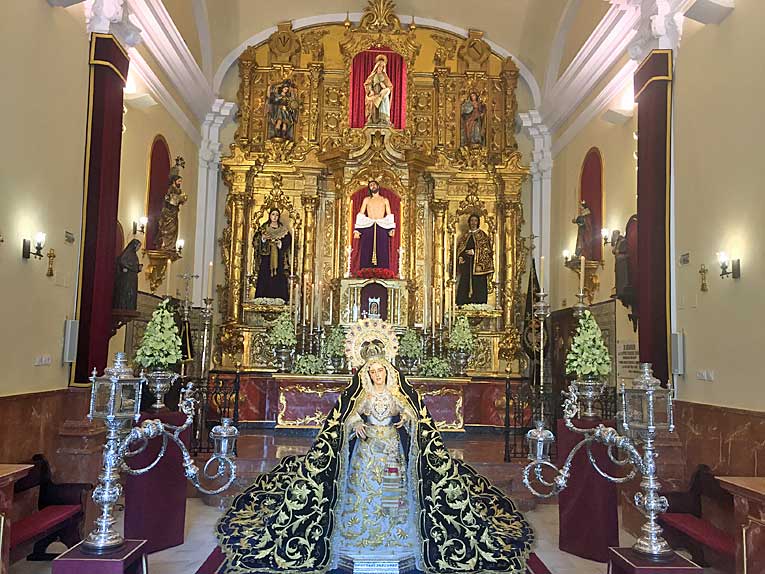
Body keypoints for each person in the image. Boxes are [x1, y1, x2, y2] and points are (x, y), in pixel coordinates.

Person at [216, 355, 533, 573]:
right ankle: (358, 532)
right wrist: (356, 424)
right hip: (368, 450)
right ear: (367, 375)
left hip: (391, 448)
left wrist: (405, 420)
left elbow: (412, 415)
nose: (377, 375)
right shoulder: (363, 395)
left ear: (388, 373)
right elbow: (349, 416)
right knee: (363, 488)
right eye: (373, 372)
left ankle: (395, 533)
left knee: (392, 491)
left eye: (380, 372)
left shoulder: (396, 394)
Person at [353, 180, 395, 270]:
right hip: (368, 225)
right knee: (366, 249)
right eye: (371, 185)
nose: (373, 186)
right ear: (369, 188)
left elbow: (389, 214)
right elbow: (361, 213)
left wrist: (391, 228)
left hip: (381, 226)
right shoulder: (367, 200)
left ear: (378, 186)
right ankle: (365, 271)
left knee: (382, 249)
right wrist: (357, 230)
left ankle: (383, 271)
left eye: (374, 185)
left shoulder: (384, 200)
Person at [253, 207, 291, 302]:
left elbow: (288, 242)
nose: (274, 217)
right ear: (270, 216)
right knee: (264, 277)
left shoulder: (283, 230)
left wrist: (280, 244)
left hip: (279, 260)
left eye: (277, 215)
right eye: (273, 214)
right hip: (266, 260)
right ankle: (262, 300)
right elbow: (256, 242)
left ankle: (280, 300)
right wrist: (263, 239)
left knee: (279, 278)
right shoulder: (263, 229)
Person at [456, 213, 494, 305]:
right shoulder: (465, 236)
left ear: (478, 223)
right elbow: (461, 249)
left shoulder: (482, 236)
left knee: (478, 286)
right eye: (472, 220)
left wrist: (475, 252)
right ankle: (463, 304)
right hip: (467, 266)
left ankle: (479, 305)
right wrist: (460, 256)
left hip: (478, 268)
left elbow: (487, 250)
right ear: (469, 222)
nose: (473, 223)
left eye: (475, 221)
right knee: (465, 284)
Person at [157, 173, 187, 251]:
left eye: (180, 181)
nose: (180, 183)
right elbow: (168, 198)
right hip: (168, 212)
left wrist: (183, 199)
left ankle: (171, 245)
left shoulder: (179, 190)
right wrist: (177, 198)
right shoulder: (171, 189)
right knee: (169, 228)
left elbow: (180, 201)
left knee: (174, 228)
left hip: (174, 212)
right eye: (179, 181)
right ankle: (166, 245)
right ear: (174, 181)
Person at [363, 54, 393, 125]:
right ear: (376, 67)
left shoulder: (385, 77)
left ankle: (382, 120)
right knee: (373, 106)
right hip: (374, 93)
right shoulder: (373, 75)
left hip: (381, 95)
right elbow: (367, 84)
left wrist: (385, 89)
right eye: (379, 66)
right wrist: (370, 90)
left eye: (382, 67)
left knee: (381, 105)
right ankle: (371, 119)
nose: (380, 68)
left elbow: (390, 87)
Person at [113, 239, 142, 310]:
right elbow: (122, 261)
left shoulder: (134, 255)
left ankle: (130, 307)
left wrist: (138, 268)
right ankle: (125, 307)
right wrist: (130, 267)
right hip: (127, 279)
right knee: (126, 294)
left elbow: (132, 265)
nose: (138, 248)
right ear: (134, 245)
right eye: (138, 246)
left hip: (132, 278)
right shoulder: (128, 253)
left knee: (131, 295)